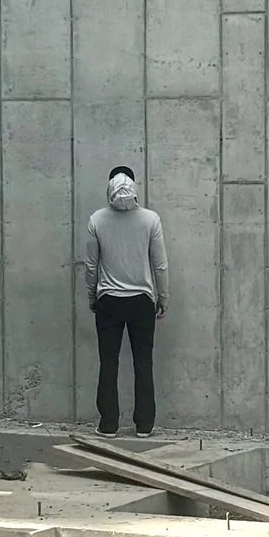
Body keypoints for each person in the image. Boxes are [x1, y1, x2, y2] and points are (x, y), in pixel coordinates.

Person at [81, 166, 167, 436]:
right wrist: (162, 296)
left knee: (109, 362)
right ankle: (144, 424)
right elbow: (160, 265)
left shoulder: (97, 220)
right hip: (142, 301)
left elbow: (91, 266)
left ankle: (108, 425)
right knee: (143, 362)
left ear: (109, 187)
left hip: (108, 301)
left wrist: (92, 295)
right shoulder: (151, 220)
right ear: (135, 187)